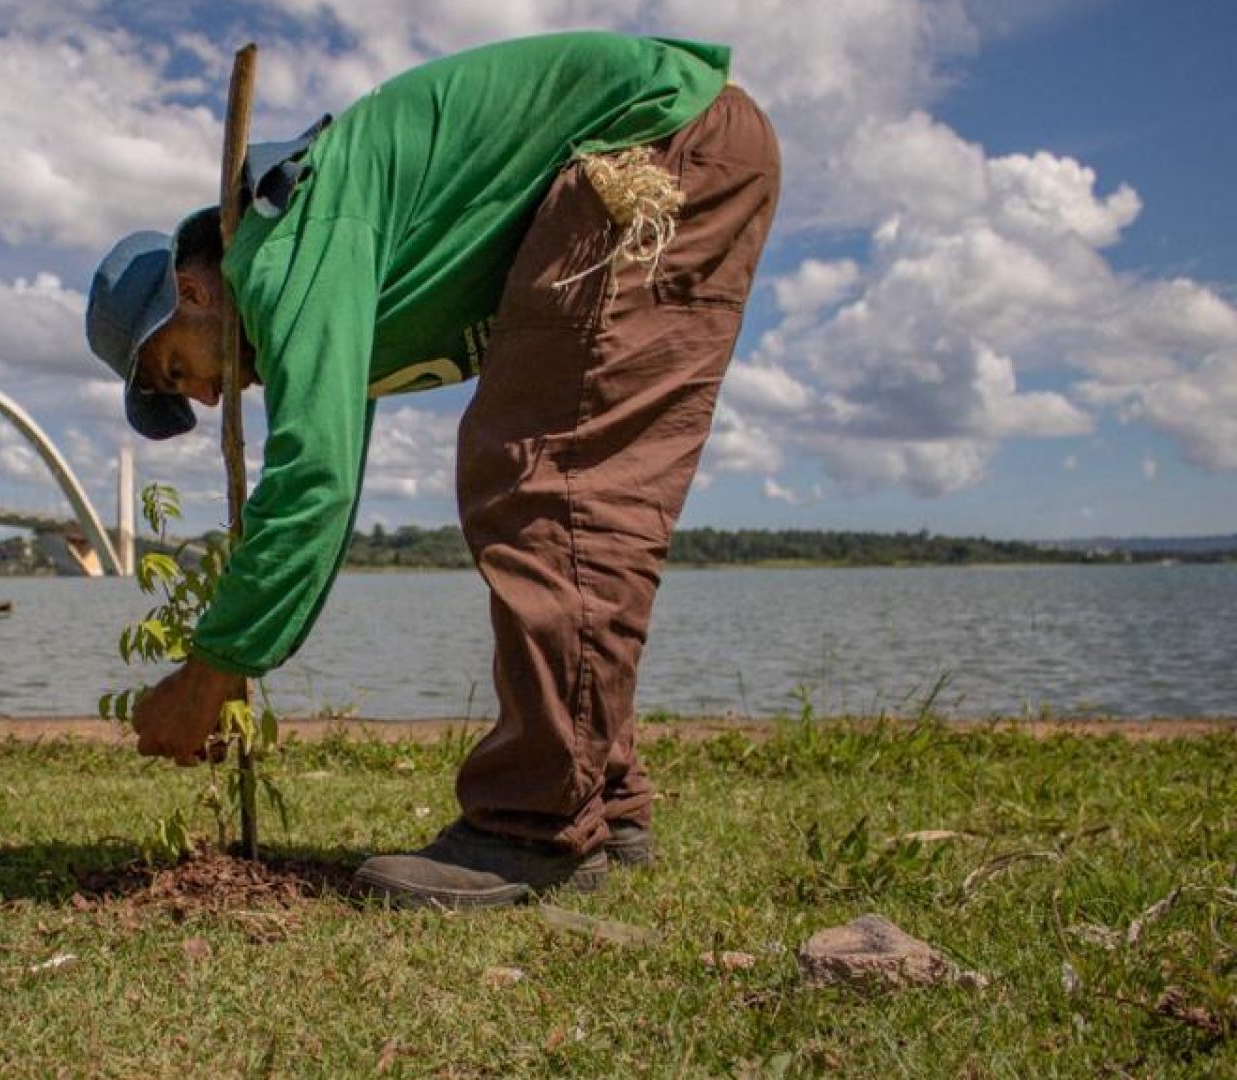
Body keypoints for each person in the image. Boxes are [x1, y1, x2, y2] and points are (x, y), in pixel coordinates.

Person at [85, 32, 779, 908]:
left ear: (192, 293)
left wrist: (212, 668)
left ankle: (533, 825)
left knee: (540, 477)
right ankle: (602, 798)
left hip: (649, 151)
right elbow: (333, 476)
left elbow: (314, 480)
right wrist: (237, 655)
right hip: (687, 141)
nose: (208, 396)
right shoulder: (312, 253)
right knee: (563, 477)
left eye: (178, 370)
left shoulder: (284, 244)